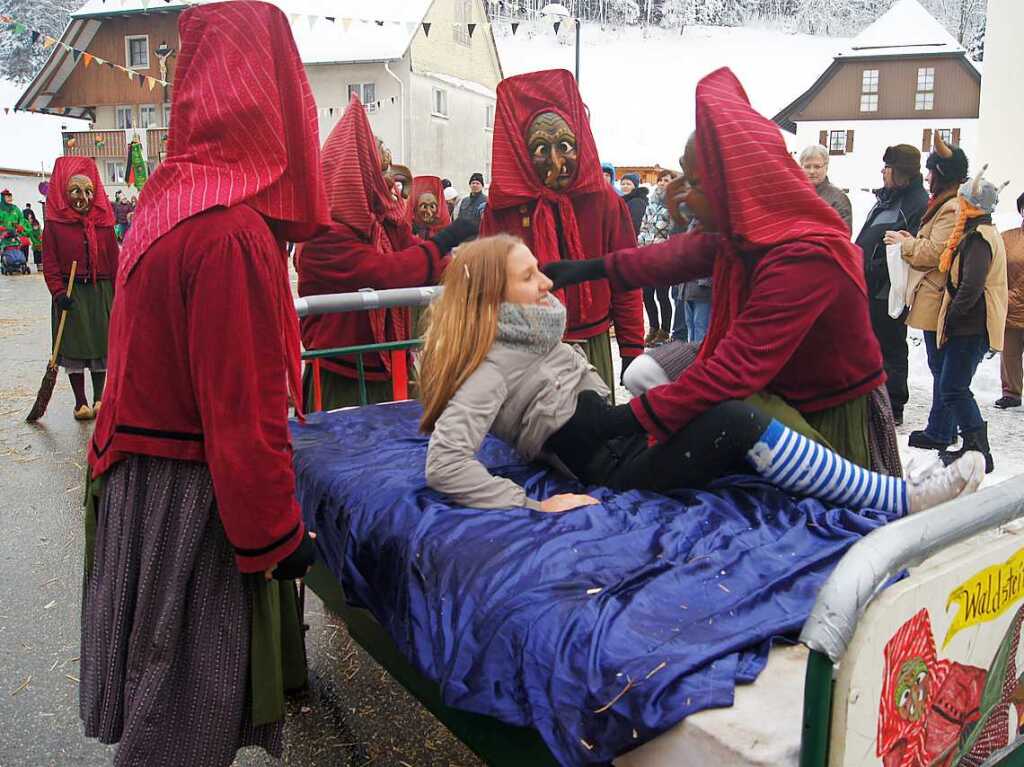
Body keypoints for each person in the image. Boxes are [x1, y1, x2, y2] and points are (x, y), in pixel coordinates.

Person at [82, 4, 325, 764]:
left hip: (142, 482)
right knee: (184, 712)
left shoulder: (166, 208)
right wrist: (276, 534)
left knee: (160, 690)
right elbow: (241, 417)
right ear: (275, 102)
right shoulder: (229, 234)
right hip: (190, 501)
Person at [419, 235, 983, 516]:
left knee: (695, 379)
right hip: (617, 469)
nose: (547, 283)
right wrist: (532, 504)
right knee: (736, 419)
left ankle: (885, 484)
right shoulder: (491, 365)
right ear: (493, 297)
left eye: (541, 269)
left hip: (629, 442)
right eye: (529, 276)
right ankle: (897, 500)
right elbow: (444, 463)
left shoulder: (528, 334)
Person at [544, 67, 903, 478]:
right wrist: (580, 270)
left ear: (736, 184)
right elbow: (667, 258)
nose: (681, 193)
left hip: (826, 414)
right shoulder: (744, 236)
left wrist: (618, 422)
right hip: (779, 391)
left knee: (725, 417)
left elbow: (731, 373)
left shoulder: (804, 256)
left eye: (695, 182)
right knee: (651, 371)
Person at [297, 95, 477, 411]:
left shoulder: (384, 223)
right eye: (379, 174)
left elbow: (416, 250)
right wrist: (448, 237)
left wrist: (469, 271)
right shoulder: (323, 238)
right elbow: (387, 273)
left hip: (387, 367)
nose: (389, 185)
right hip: (344, 380)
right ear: (355, 179)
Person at [479, 69, 645, 396]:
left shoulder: (604, 201)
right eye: (541, 149)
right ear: (523, 153)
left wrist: (632, 350)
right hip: (525, 351)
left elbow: (626, 278)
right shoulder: (503, 211)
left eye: (565, 145)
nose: (556, 161)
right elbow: (487, 288)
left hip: (591, 344)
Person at [884, 133, 969, 450]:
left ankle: (942, 430)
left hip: (938, 296)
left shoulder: (950, 209)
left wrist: (904, 244)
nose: (928, 176)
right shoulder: (944, 206)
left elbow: (935, 252)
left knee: (942, 368)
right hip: (932, 295)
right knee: (940, 367)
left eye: (932, 171)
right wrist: (910, 239)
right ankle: (943, 428)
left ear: (942, 175)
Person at [929, 168, 1010, 474]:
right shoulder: (982, 233)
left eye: (962, 201)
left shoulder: (978, 239)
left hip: (970, 326)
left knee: (953, 386)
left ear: (971, 205)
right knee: (955, 385)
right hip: (970, 324)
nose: (958, 205)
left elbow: (972, 285)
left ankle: (979, 450)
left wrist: (952, 316)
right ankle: (972, 446)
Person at [856, 144, 929, 425]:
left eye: (887, 168)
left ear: (900, 173)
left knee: (891, 348)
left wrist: (873, 269)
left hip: (888, 291)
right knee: (871, 347)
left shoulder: (916, 204)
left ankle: (893, 407)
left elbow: (904, 250)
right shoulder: (887, 199)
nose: (882, 172)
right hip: (869, 286)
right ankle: (873, 402)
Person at [41, 158, 118, 420]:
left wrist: (119, 295)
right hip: (70, 292)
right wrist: (58, 292)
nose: (82, 197)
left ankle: (99, 398)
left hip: (100, 290)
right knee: (74, 349)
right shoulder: (54, 224)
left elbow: (115, 260)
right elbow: (49, 261)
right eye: (75, 191)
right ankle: (81, 402)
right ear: (64, 192)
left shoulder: (104, 222)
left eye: (88, 191)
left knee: (100, 346)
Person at [637, 169, 674, 345]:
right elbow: (644, 227)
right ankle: (653, 327)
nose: (662, 183)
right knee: (647, 294)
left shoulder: (674, 205)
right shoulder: (650, 204)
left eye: (666, 180)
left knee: (662, 295)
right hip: (647, 255)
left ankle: (665, 330)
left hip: (663, 257)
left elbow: (673, 231)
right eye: (660, 180)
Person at [997, 191, 1024, 409]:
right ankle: (1011, 393)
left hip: (1014, 301)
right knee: (1010, 354)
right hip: (1012, 306)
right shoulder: (1007, 238)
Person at [800, 144, 852, 233]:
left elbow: (843, 236)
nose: (812, 171)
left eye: (817, 167)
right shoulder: (794, 196)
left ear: (826, 167)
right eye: (807, 167)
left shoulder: (839, 199)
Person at [0, 188, 30, 266]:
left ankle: (17, 261)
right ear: (3, 198)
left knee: (16, 246)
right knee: (4, 247)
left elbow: (21, 218)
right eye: (7, 197)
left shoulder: (15, 208)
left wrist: (20, 226)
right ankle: (4, 263)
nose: (10, 199)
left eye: (10, 197)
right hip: (3, 234)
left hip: (15, 233)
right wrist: (1, 228)